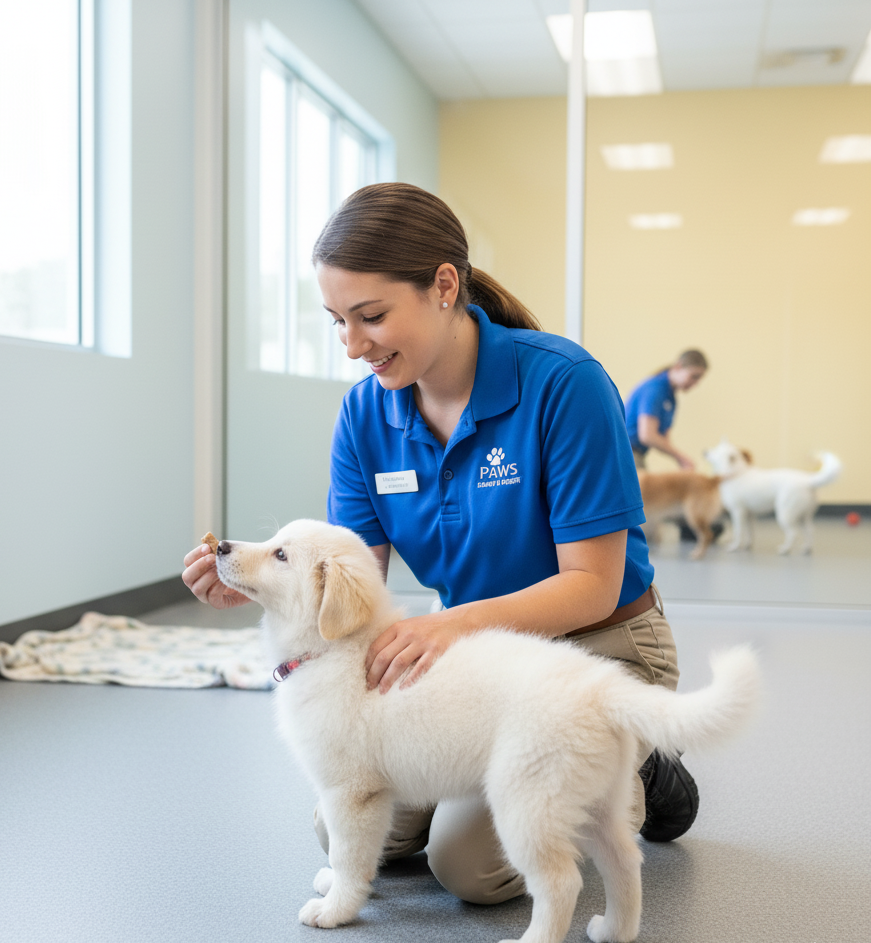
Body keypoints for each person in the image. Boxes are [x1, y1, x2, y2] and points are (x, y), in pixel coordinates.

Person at [182, 182, 698, 906]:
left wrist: (450, 624)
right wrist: (254, 583)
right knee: (353, 824)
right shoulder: (365, 415)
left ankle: (632, 762)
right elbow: (348, 582)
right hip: (472, 660)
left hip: (597, 642)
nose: (352, 345)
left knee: (470, 866)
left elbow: (593, 585)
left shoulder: (564, 384)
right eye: (337, 322)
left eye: (371, 316)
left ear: (445, 286)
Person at [625, 351, 708, 471]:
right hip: (627, 453)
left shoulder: (670, 398)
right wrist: (681, 458)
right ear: (678, 366)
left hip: (638, 454)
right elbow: (647, 435)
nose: (695, 383)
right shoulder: (655, 389)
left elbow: (664, 439)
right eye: (694, 376)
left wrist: (681, 461)